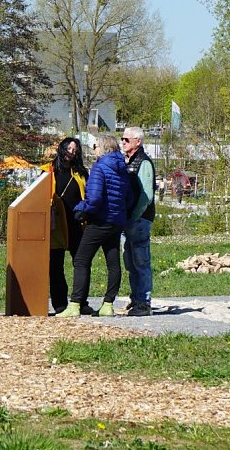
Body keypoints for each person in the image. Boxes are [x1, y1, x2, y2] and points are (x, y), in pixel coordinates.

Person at [56, 133, 133, 318]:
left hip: (99, 221)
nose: (93, 149)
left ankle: (74, 304)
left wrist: (81, 208)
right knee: (113, 263)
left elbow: (95, 197)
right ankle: (108, 304)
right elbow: (129, 197)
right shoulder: (122, 168)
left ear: (104, 147)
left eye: (95, 145)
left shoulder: (100, 167)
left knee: (81, 260)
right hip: (116, 222)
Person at [41, 137, 90, 314]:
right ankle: (60, 304)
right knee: (55, 266)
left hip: (78, 224)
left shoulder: (81, 173)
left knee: (81, 263)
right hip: (56, 226)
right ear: (62, 149)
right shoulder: (48, 172)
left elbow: (89, 196)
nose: (72, 151)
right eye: (69, 148)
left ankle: (81, 302)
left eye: (75, 149)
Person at [121, 127, 156, 317]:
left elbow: (146, 196)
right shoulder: (130, 161)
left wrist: (133, 216)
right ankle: (136, 299)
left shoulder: (144, 163)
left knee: (141, 262)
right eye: (122, 139)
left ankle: (144, 303)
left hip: (140, 220)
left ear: (138, 142)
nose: (123, 142)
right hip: (130, 220)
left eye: (126, 139)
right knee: (131, 262)